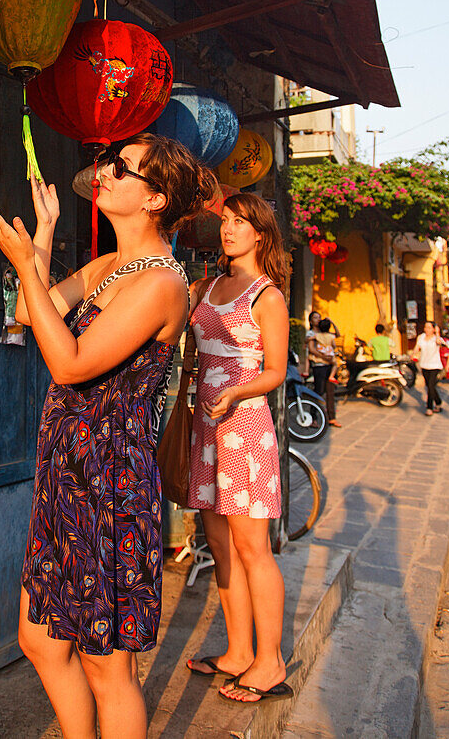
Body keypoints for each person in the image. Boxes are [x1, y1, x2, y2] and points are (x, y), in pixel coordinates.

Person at [0, 134, 216, 739]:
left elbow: (70, 363)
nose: (106, 172)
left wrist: (20, 265)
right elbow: (32, 315)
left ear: (156, 198)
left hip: (108, 490)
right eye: (110, 163)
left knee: (107, 665)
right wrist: (41, 235)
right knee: (39, 639)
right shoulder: (111, 265)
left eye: (124, 168)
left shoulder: (161, 281)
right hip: (67, 479)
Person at [185, 193, 293, 704]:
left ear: (260, 233)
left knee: (254, 549)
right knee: (221, 546)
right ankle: (236, 651)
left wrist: (237, 390)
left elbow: (273, 371)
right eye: (226, 221)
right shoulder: (208, 284)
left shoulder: (266, 297)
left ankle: (270, 662)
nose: (228, 230)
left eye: (240, 222)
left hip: (244, 430)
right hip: (206, 429)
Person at [307, 317, 341, 427]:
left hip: (327, 365)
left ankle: (332, 417)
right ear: (311, 321)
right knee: (318, 391)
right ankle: (314, 417)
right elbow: (311, 349)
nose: (317, 319)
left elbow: (337, 334)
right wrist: (326, 357)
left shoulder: (319, 335)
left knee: (330, 392)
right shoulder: (311, 334)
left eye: (318, 317)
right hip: (321, 365)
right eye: (315, 317)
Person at [412, 321, 444, 416]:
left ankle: (429, 407)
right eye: (426, 327)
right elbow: (417, 347)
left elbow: (439, 342)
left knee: (430, 386)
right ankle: (438, 402)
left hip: (434, 365)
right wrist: (413, 354)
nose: (427, 329)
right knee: (430, 387)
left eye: (429, 327)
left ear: (434, 329)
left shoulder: (436, 338)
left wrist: (437, 333)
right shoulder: (421, 337)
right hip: (424, 365)